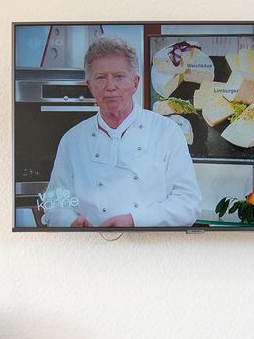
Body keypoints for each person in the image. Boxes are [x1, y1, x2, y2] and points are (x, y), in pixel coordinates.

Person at [40, 36, 201, 228]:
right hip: (92, 243)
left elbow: (187, 204)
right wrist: (70, 221)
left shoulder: (167, 132)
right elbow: (54, 203)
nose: (110, 86)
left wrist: (135, 221)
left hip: (148, 243)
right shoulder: (72, 140)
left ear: (135, 83)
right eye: (100, 78)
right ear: (90, 86)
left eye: (119, 76)